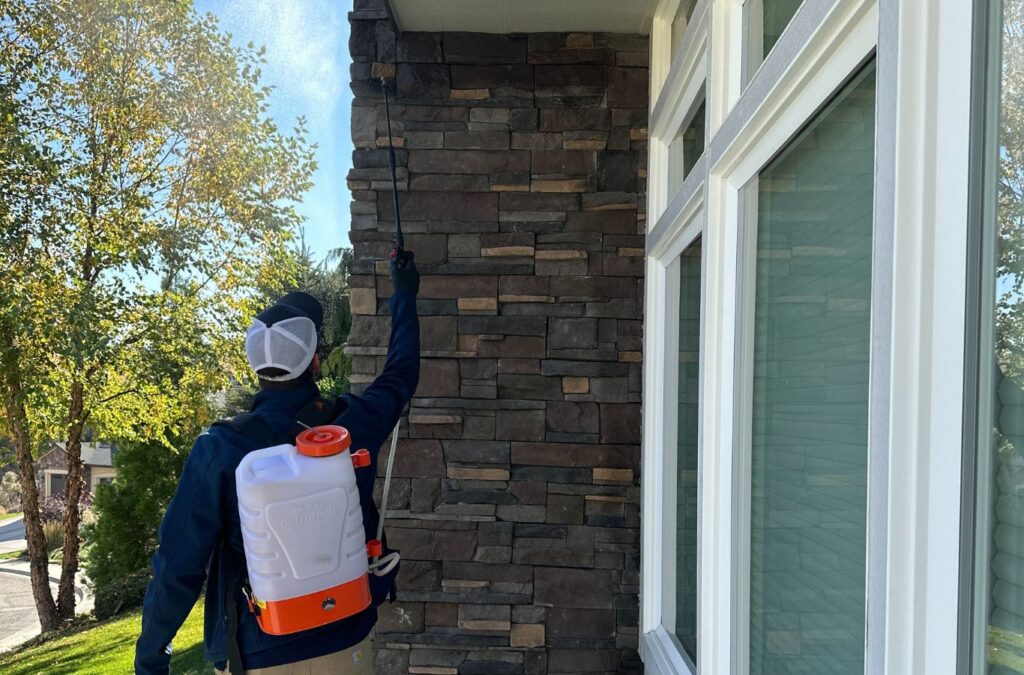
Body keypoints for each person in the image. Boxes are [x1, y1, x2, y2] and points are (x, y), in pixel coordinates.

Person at [135, 254, 420, 675]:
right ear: (315, 361)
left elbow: (178, 565)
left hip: (258, 651)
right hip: (348, 640)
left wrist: (151, 658)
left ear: (257, 370)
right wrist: (404, 294)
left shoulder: (221, 448)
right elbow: (401, 374)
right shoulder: (352, 423)